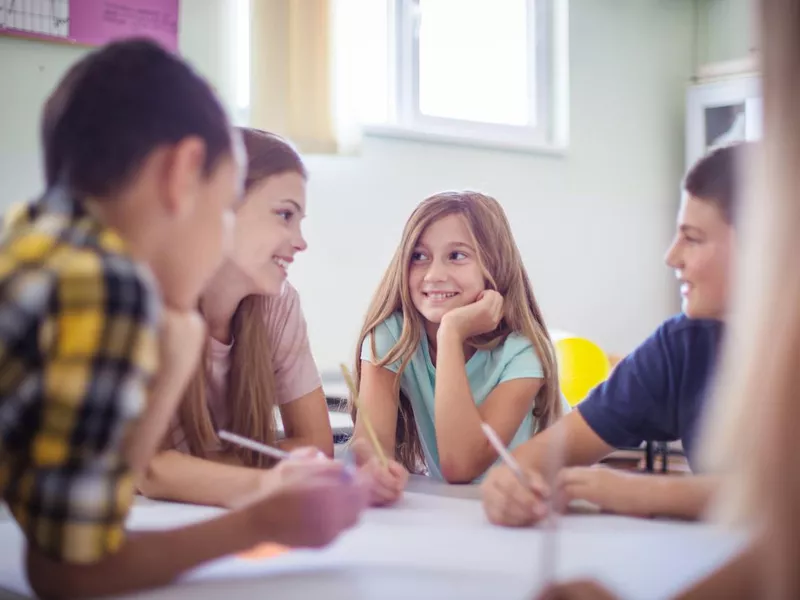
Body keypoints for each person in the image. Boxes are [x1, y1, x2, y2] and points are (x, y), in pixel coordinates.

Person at [0, 39, 366, 600]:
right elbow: (69, 574)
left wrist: (177, 345)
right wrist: (261, 522)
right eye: (222, 210)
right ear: (181, 173)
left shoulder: (30, 239)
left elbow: (96, 497)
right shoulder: (103, 286)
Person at [481, 142, 749, 526]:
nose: (671, 256)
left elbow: (779, 493)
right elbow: (546, 454)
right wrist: (508, 483)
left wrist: (647, 492)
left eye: (692, 238)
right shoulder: (682, 346)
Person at [138, 128, 335, 508]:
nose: (300, 241)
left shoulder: (278, 305)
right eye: (284, 215)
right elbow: (149, 469)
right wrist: (269, 477)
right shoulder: (145, 302)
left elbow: (315, 444)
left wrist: (197, 474)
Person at [352, 191, 563, 504]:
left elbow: (460, 465)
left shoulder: (523, 351)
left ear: (494, 264)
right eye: (419, 256)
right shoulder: (393, 335)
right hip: (452, 514)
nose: (434, 275)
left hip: (531, 507)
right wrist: (370, 465)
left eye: (457, 256)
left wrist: (451, 333)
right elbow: (372, 442)